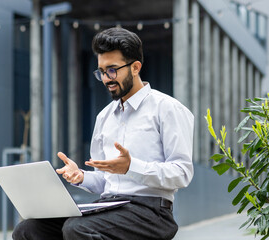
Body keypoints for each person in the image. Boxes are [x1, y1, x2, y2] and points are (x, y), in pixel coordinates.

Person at [12, 27, 194, 240]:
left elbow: (182, 173)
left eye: (112, 70)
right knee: (28, 229)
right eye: (101, 71)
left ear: (135, 67)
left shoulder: (167, 108)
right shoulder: (104, 117)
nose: (107, 78)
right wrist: (81, 177)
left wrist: (131, 167)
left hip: (151, 212)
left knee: (77, 228)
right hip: (109, 206)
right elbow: (105, 181)